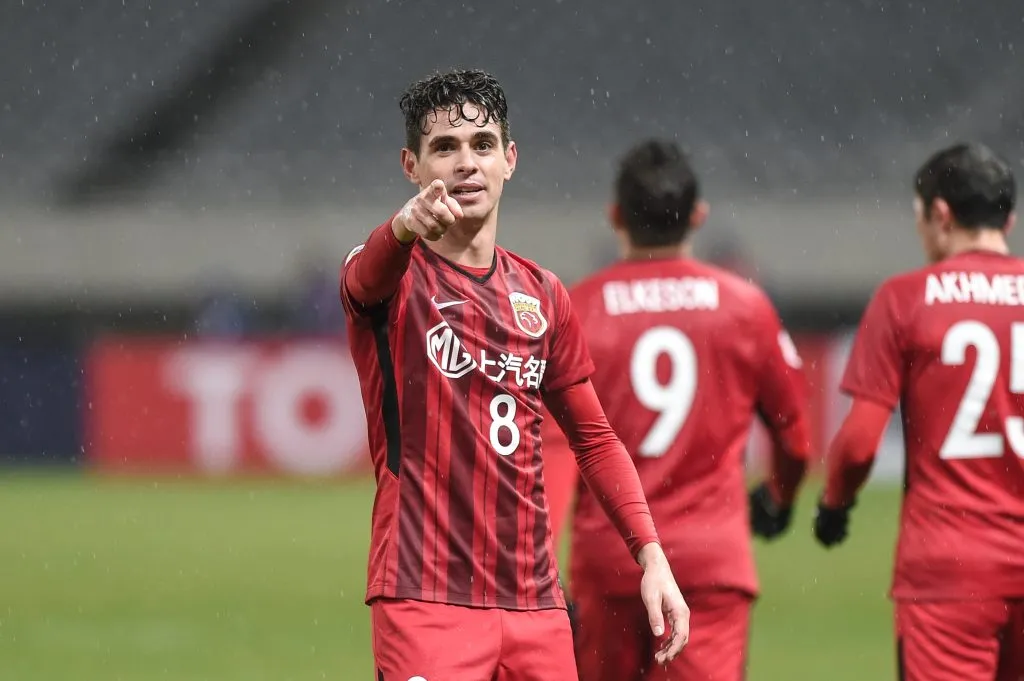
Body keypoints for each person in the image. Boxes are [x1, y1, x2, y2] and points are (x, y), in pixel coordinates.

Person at [339, 69, 690, 681]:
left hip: (535, 606)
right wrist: (401, 228)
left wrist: (652, 556)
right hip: (424, 596)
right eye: (444, 149)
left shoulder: (543, 295)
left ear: (510, 159)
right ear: (411, 167)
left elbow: (595, 440)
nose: (466, 163)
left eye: (482, 145)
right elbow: (364, 278)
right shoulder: (393, 278)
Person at [551, 139, 812, 681]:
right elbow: (795, 438)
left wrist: (544, 565)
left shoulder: (576, 307)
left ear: (615, 216)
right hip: (708, 563)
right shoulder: (745, 306)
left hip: (611, 563)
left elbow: (549, 452)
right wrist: (780, 496)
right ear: (698, 216)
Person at [815, 142, 1024, 681]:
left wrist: (834, 504)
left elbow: (860, 442)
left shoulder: (906, 298)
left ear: (941, 214)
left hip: (949, 571)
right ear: (1010, 218)